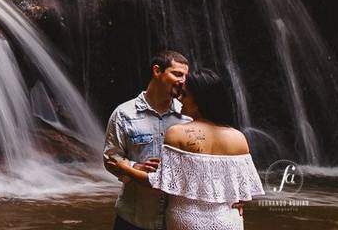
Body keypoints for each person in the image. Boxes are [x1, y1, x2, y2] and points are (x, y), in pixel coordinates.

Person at [125, 68, 264, 230]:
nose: (179, 99)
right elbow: (244, 190)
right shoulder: (239, 138)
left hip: (186, 219)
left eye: (185, 95)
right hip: (228, 220)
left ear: (200, 100)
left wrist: (124, 167)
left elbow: (160, 183)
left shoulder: (176, 133)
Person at [104, 50, 191, 230]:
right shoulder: (124, 114)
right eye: (177, 74)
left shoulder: (188, 115)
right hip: (134, 217)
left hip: (176, 220)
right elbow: (110, 158)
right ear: (157, 71)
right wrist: (134, 167)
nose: (183, 81)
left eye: (185, 76)